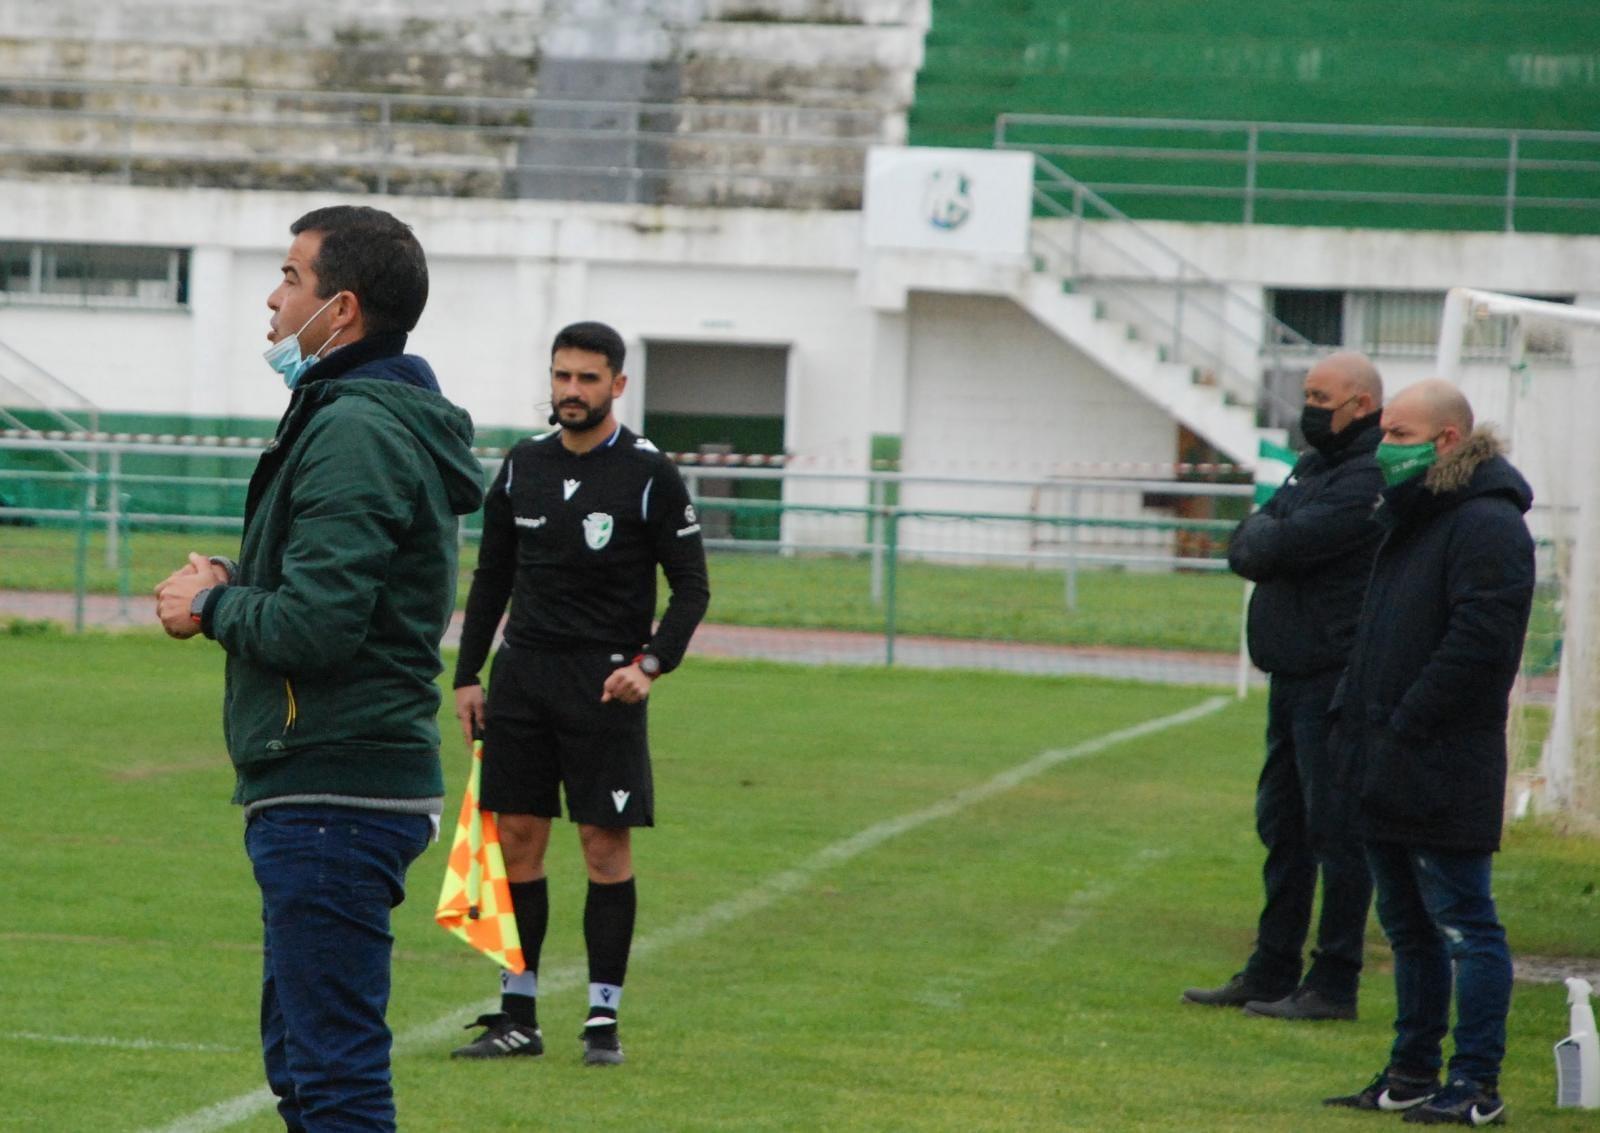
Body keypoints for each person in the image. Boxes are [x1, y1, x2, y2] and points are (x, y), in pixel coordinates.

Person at [154, 205, 483, 1132]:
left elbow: (319, 625)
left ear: (339, 310)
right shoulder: (345, 416)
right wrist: (237, 574)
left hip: (338, 790)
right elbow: (333, 592)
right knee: (305, 1070)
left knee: (333, 1079)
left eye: (290, 277)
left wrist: (212, 604)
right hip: (324, 786)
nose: (272, 295)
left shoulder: (357, 429)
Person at [449, 320, 710, 1065]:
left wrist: (652, 663)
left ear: (617, 386)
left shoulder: (649, 473)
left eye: (587, 378)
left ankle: (602, 1019)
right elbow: (491, 576)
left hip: (605, 686)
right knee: (519, 843)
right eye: (562, 376)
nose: (570, 391)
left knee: (603, 845)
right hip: (522, 677)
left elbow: (691, 586)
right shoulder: (520, 465)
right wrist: (469, 674)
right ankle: (518, 1014)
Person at [1323, 379, 1534, 1125]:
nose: (1385, 449)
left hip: (1442, 760)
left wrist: (1407, 721)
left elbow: (1480, 646)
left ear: (1448, 441)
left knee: (1464, 925)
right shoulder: (1412, 518)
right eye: (1384, 433)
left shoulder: (1487, 524)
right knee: (1408, 926)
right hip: (1384, 753)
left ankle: (1475, 1081)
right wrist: (1355, 719)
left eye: (1401, 436)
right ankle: (1411, 1071)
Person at [1183, 352, 1384, 1021]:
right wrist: (1272, 533)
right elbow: (1249, 541)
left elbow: (1276, 544)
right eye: (1308, 393)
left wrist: (1272, 535)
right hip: (1290, 674)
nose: (1310, 405)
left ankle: (1335, 980)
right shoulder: (1315, 466)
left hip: (1332, 677)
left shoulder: (1365, 476)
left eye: (1321, 395)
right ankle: (1271, 968)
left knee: (1334, 830)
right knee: (1284, 826)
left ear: (1360, 402)